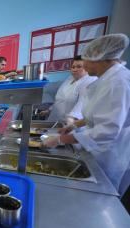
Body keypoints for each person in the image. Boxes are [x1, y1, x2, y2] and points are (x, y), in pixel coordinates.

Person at [43, 34, 130, 208]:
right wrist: (76, 125)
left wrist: (61, 140)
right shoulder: (107, 79)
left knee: (100, 203)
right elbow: (97, 114)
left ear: (100, 57)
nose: (85, 66)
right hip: (99, 147)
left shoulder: (118, 82)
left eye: (86, 61)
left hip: (111, 153)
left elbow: (107, 130)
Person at [40, 55, 97, 123]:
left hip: (72, 123)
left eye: (79, 67)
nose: (74, 69)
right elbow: (60, 99)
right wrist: (49, 110)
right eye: (73, 67)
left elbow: (82, 104)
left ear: (87, 68)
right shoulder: (70, 79)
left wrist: (72, 119)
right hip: (55, 120)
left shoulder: (89, 81)